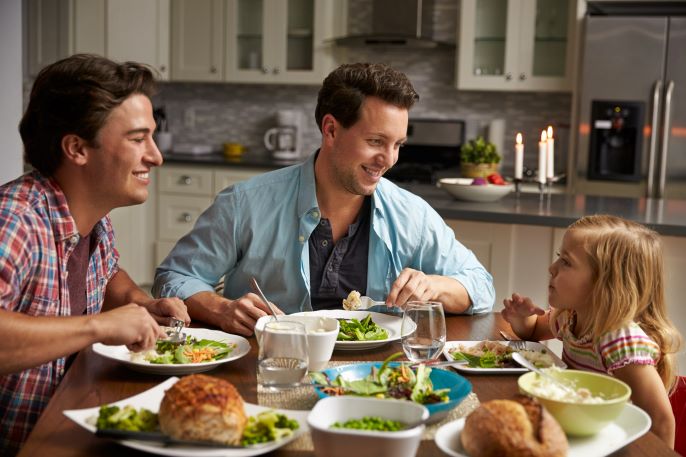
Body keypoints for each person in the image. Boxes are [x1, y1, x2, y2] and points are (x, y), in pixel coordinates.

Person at [153, 62, 494, 336]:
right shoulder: (245, 204)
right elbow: (174, 276)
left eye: (398, 145)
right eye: (376, 141)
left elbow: (480, 286)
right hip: (270, 369)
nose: (388, 159)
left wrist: (434, 286)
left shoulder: (411, 215)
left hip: (378, 376)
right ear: (330, 129)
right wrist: (222, 308)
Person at [0, 54, 190, 454]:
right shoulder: (15, 221)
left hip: (65, 429)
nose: (156, 156)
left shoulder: (94, 221)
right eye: (138, 139)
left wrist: (139, 304)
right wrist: (99, 326)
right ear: (77, 148)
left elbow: (106, 275)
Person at [502, 214, 682, 448]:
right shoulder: (569, 316)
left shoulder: (618, 339)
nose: (552, 267)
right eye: (559, 256)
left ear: (604, 284)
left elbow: (661, 421)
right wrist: (522, 319)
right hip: (578, 430)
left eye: (566, 261)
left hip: (610, 442)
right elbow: (534, 331)